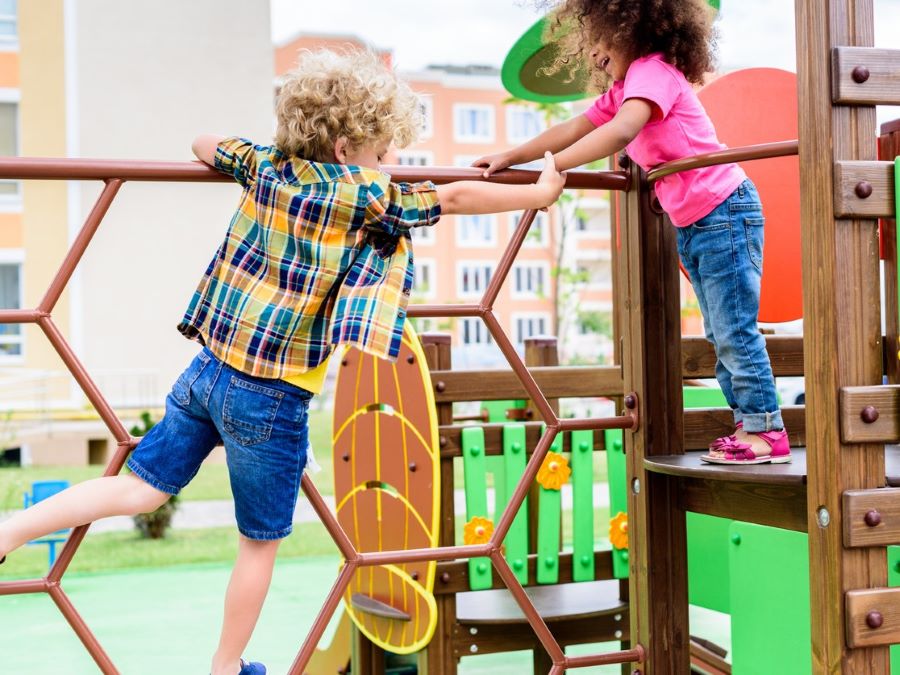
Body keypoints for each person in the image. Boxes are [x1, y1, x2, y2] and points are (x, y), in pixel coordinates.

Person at [0, 49, 565, 675]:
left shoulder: (265, 166)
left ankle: (10, 532)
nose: (390, 165)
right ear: (350, 149)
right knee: (259, 544)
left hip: (207, 372)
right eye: (384, 152)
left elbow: (203, 143)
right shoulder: (368, 196)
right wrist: (538, 193)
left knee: (137, 489)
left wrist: (263, 149)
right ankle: (226, 665)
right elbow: (454, 198)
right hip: (271, 397)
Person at [474, 0, 789, 465]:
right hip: (699, 221)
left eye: (602, 38)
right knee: (720, 333)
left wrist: (552, 168)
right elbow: (575, 126)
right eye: (590, 42)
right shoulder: (626, 87)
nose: (594, 53)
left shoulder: (652, 70)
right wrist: (512, 156)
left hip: (725, 211)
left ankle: (766, 431)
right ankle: (750, 426)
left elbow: (622, 131)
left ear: (632, 28)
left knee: (733, 331)